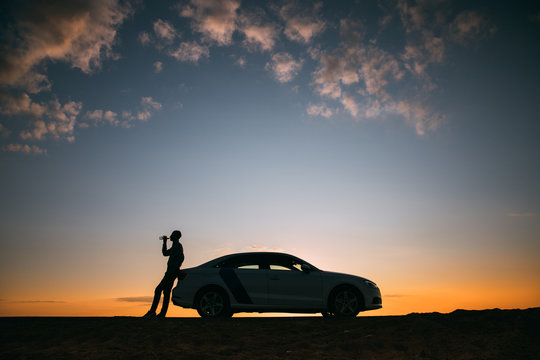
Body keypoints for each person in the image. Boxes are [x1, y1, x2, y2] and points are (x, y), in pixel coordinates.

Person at [143, 230, 184, 318]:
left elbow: (181, 258)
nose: (170, 236)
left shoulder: (178, 246)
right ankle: (162, 314)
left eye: (172, 234)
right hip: (170, 272)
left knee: (158, 290)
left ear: (176, 236)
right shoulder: (174, 247)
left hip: (171, 273)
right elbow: (165, 253)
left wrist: (174, 269)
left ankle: (153, 311)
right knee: (166, 292)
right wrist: (164, 242)